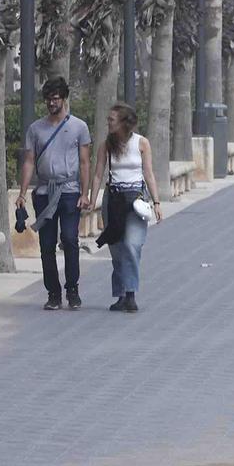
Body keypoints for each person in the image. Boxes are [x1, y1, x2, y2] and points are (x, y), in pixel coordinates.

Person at [16, 76, 92, 311]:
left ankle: (72, 289)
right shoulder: (35, 129)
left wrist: (85, 192)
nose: (51, 104)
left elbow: (85, 162)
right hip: (43, 193)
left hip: (70, 191)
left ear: (64, 99)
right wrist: (22, 192)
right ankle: (53, 293)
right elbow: (29, 162)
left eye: (56, 99)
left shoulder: (79, 127)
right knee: (46, 245)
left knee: (69, 239)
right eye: (48, 100)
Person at [85, 102, 163, 313]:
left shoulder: (141, 143)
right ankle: (121, 295)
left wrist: (156, 202)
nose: (108, 123)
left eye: (112, 120)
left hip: (136, 199)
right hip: (114, 199)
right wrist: (93, 200)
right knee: (117, 249)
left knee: (132, 244)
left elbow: (148, 173)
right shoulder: (106, 145)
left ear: (123, 122)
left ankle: (131, 294)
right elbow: (99, 173)